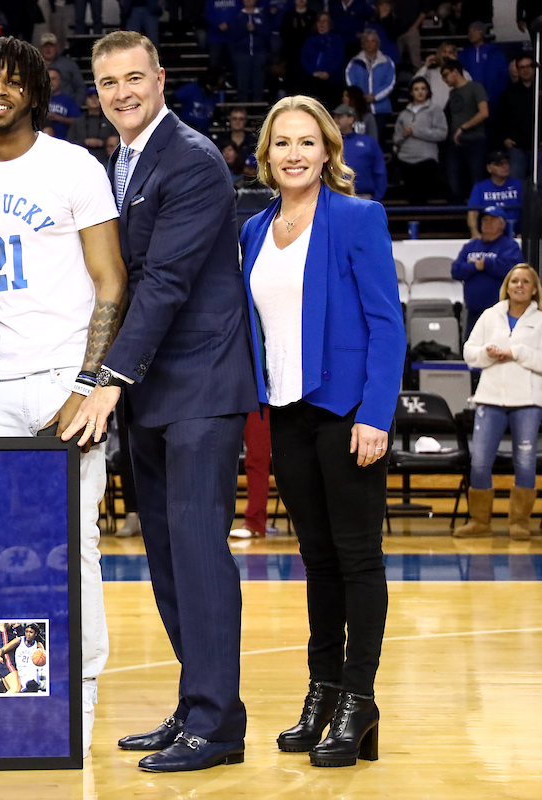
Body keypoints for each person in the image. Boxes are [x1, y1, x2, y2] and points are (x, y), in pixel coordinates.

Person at [64, 31, 258, 773]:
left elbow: (166, 283)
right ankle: (198, 705)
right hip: (155, 390)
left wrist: (106, 379)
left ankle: (217, 726)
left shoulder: (193, 159)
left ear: (160, 77)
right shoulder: (120, 159)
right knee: (171, 559)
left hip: (199, 386)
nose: (121, 92)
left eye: (133, 78)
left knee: (201, 554)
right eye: (108, 82)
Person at [0, 36, 125, 759]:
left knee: (73, 547)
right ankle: (17, 691)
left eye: (12, 81)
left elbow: (112, 281)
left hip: (66, 384)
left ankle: (79, 695)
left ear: (34, 92)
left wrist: (89, 384)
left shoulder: (74, 165)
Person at [240, 94, 404, 768]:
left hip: (345, 410)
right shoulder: (252, 229)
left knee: (358, 559)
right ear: (266, 155)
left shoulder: (358, 218)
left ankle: (358, 702)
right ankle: (323, 691)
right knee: (318, 560)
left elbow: (387, 323)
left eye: (308, 142)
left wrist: (376, 414)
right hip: (286, 412)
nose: (295, 154)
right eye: (283, 143)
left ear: (329, 150)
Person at [456, 264, 542, 540]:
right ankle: (480, 521)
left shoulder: (540, 320)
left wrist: (516, 352)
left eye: (525, 281)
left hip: (527, 401)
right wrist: (489, 353)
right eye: (514, 280)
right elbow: (469, 353)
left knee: (526, 461)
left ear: (534, 288)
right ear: (507, 285)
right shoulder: (490, 316)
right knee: (480, 461)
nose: (519, 285)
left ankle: (519, 522)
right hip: (490, 399)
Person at [452, 207, 525, 340]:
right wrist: (475, 266)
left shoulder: (509, 246)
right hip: (473, 311)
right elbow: (456, 270)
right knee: (472, 350)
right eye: (484, 220)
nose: (487, 223)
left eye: (492, 220)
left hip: (501, 313)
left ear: (502, 225)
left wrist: (486, 264)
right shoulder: (471, 246)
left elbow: (511, 269)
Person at [392, 77, 446, 206]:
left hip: (426, 160)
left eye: (423, 89)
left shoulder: (435, 110)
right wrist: (405, 134)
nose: (420, 92)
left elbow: (442, 134)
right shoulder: (404, 114)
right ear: (411, 92)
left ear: (428, 91)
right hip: (405, 159)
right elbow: (396, 139)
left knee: (422, 198)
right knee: (409, 198)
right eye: (416, 89)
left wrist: (416, 131)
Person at [442, 57, 489, 203]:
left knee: (476, 179)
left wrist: (464, 127)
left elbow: (484, 113)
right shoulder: (452, 93)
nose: (444, 80)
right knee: (454, 181)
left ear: (455, 71)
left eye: (446, 75)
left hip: (475, 140)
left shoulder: (475, 87)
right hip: (456, 142)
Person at [229, 410, 274, 539]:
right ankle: (254, 523)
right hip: (257, 395)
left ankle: (307, 523)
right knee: (256, 458)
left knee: (298, 459)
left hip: (292, 395)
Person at [332, 103, 385, 200]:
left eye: (340, 117)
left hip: (364, 196)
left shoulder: (369, 142)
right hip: (336, 196)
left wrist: (376, 198)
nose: (336, 120)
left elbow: (379, 171)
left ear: (351, 119)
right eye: (335, 117)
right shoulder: (329, 143)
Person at [498, 54, 538, 180]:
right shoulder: (508, 93)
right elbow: (500, 119)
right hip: (516, 147)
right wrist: (505, 139)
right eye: (522, 67)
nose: (525, 70)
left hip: (539, 146)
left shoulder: (539, 90)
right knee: (515, 182)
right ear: (517, 70)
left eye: (528, 66)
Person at [344, 28, 394, 126]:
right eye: (367, 41)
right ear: (363, 44)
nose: (370, 44)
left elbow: (389, 83)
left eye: (373, 41)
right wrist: (361, 97)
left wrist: (375, 97)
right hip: (360, 108)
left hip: (380, 109)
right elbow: (351, 82)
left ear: (377, 43)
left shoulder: (387, 62)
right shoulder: (354, 62)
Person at [467, 151, 523, 238]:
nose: (505, 166)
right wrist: (475, 232)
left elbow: (530, 210)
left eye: (506, 163)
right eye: (499, 164)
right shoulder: (480, 187)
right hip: (489, 236)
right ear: (489, 168)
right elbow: (472, 212)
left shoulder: (519, 185)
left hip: (516, 235)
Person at [458, 21, 508, 112]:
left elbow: (503, 74)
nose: (470, 34)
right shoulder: (464, 54)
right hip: (469, 101)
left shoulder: (494, 53)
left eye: (473, 31)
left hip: (492, 101)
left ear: (481, 32)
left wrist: (495, 94)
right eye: (469, 31)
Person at [229, 0, 270, 103]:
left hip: (259, 53)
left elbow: (267, 33)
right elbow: (232, 35)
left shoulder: (262, 16)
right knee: (242, 81)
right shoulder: (237, 16)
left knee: (258, 81)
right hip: (242, 53)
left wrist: (255, 29)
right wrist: (244, 28)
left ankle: (257, 106)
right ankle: (242, 106)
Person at [301, 12, 345, 105]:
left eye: (325, 21)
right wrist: (313, 71)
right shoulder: (310, 40)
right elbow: (304, 58)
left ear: (329, 24)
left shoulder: (336, 39)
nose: (321, 23)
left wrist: (328, 72)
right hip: (313, 78)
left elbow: (339, 58)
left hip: (331, 79)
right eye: (319, 21)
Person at [69, 86, 119, 165]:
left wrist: (103, 143)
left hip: (105, 160)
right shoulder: (78, 122)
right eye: (90, 97)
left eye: (97, 97)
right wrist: (84, 142)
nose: (94, 100)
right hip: (81, 160)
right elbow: (70, 142)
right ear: (85, 100)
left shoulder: (111, 121)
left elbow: (117, 141)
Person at [0, 623, 47, 693]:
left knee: (16, 693)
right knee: (16, 689)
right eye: (27, 631)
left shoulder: (37, 644)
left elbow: (44, 657)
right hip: (5, 659)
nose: (28, 634)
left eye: (31, 632)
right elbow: (2, 649)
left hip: (24, 672)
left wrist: (42, 657)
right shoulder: (18, 638)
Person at [173, 66, 225, 135]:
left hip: (202, 132)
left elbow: (215, 114)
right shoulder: (192, 89)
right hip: (185, 130)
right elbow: (172, 99)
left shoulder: (215, 95)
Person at [414, 40, 466, 108]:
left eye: (450, 52)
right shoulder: (431, 72)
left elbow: (467, 86)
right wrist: (426, 65)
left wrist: (455, 64)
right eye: (444, 52)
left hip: (454, 111)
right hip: (434, 112)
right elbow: (415, 81)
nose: (447, 55)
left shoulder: (460, 73)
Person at [40, 33, 85, 100]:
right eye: (45, 46)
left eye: (51, 46)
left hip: (66, 106)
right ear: (40, 48)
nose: (48, 49)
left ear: (56, 47)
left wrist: (74, 106)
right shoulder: (33, 66)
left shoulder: (69, 64)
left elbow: (80, 87)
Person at [45, 67, 80, 140]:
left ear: (60, 81)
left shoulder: (68, 101)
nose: (50, 82)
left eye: (53, 79)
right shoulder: (36, 100)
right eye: (48, 79)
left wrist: (57, 118)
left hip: (63, 141)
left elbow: (78, 121)